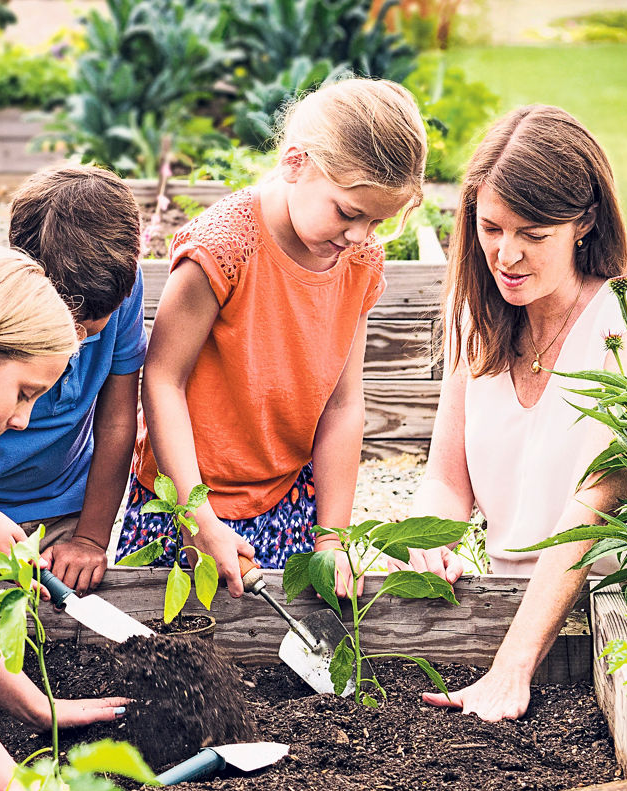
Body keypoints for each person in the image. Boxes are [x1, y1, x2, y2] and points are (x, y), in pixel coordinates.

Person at [399, 105, 627, 721]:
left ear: (585, 223)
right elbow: (446, 481)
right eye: (492, 228)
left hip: (610, 630)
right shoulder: (480, 323)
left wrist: (511, 669)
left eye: (533, 234)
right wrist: (428, 541)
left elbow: (594, 509)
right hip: (498, 613)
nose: (507, 254)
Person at [116, 78, 428, 598]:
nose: (359, 236)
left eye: (377, 222)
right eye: (349, 212)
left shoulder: (358, 261)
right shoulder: (222, 249)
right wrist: (197, 517)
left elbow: (343, 405)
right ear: (295, 162)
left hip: (287, 497)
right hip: (186, 499)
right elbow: (163, 381)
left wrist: (332, 537)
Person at [0, 165, 146, 594]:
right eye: (66, 320)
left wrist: (90, 538)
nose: (77, 337)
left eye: (94, 322)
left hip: (62, 509)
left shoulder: (119, 290)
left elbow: (117, 421)